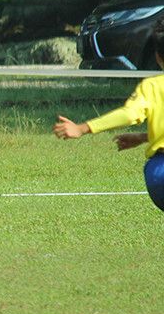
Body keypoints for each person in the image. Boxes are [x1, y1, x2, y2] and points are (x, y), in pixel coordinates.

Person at [53, 17, 164, 212]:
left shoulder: (152, 86)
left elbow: (130, 115)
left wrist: (83, 127)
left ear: (158, 56)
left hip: (159, 173)